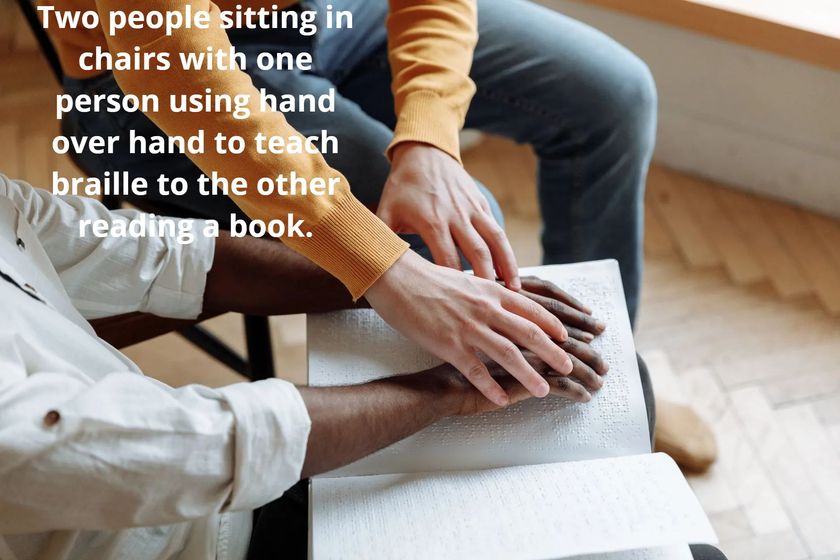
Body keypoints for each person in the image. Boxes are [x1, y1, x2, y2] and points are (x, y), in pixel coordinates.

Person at [0, 174, 726, 560]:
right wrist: (440, 392)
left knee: (617, 384)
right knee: (678, 551)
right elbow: (182, 450)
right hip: (202, 535)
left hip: (234, 477)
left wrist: (406, 278)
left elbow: (164, 256)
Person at [46, 0, 655, 408]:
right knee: (449, 238)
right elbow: (173, 61)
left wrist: (430, 136)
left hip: (329, 14)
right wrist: (382, 265)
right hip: (145, 76)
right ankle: (459, 459)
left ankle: (603, 374)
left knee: (615, 97)